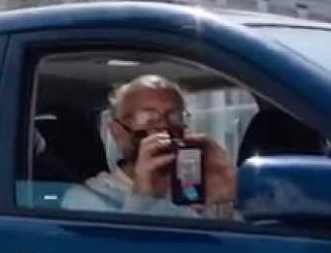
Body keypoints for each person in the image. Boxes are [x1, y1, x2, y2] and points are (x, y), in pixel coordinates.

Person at [61, 75, 238, 219]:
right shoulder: (86, 200)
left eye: (174, 116)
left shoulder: (194, 187)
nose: (163, 127)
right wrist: (143, 199)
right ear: (117, 133)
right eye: (148, 118)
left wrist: (230, 196)